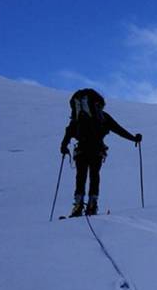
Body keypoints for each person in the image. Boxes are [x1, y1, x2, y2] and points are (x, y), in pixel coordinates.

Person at [60, 88, 142, 217]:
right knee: (94, 175)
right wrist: (134, 138)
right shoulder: (103, 117)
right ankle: (92, 204)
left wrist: (64, 146)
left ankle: (78, 205)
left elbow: (69, 132)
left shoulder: (78, 117)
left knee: (80, 176)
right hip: (97, 150)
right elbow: (118, 130)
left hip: (81, 150)